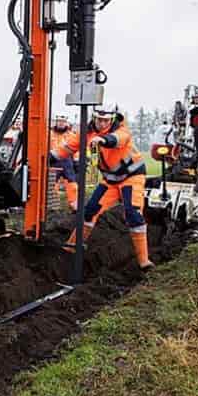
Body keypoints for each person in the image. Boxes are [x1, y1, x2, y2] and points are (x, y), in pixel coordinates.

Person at [51, 105, 155, 271]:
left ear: (112, 119)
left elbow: (117, 139)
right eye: (99, 119)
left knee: (133, 214)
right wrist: (49, 157)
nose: (101, 123)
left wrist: (103, 140)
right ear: (94, 117)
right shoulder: (86, 131)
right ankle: (71, 247)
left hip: (131, 177)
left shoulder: (122, 129)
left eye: (105, 120)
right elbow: (67, 148)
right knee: (90, 211)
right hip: (110, 180)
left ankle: (144, 262)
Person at [49, 115, 79, 212]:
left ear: (66, 123)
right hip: (53, 161)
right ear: (56, 122)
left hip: (67, 162)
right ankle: (52, 207)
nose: (61, 123)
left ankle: (73, 205)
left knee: (72, 184)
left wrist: (76, 161)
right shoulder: (49, 134)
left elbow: (76, 148)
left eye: (63, 121)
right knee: (52, 184)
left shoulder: (71, 135)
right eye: (59, 121)